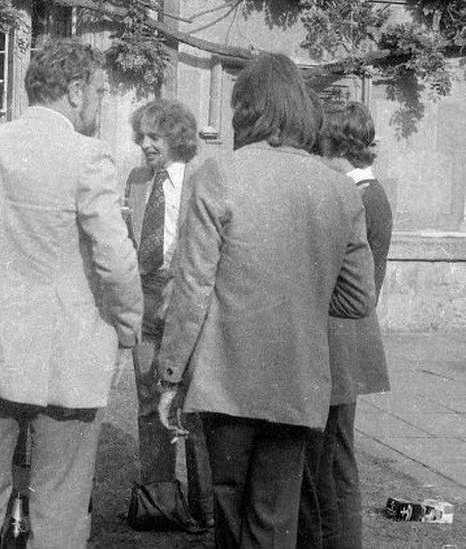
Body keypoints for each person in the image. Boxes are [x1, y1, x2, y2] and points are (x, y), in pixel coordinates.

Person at [153, 53, 377, 548]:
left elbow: (193, 287)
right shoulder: (340, 189)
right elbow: (359, 296)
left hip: (227, 377)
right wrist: (304, 300)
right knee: (276, 519)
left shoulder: (217, 174)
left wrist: (170, 376)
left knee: (231, 514)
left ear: (247, 110)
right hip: (297, 377)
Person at [0, 40, 144, 548]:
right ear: (75, 92)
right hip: (67, 351)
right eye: (98, 92)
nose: (99, 103)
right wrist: (128, 325)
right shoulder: (88, 154)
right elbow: (115, 259)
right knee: (60, 505)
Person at [298, 101, 393, 549]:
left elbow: (360, 289)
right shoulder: (365, 193)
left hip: (341, 344)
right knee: (331, 461)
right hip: (340, 343)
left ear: (335, 146)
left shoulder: (359, 196)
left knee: (334, 465)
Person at [122, 99, 213, 531]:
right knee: (146, 401)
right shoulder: (138, 180)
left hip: (187, 300)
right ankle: (158, 501)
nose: (144, 144)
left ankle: (204, 507)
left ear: (177, 138)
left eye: (154, 136)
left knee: (191, 403)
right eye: (141, 136)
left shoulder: (204, 179)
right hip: (144, 298)